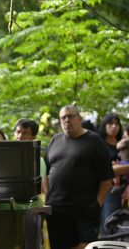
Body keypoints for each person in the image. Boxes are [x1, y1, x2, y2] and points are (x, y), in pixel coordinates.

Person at [44, 105, 113, 249]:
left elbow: (106, 178)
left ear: (79, 119)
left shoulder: (94, 141)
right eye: (63, 117)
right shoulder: (55, 141)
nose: (67, 120)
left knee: (85, 246)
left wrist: (98, 203)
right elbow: (46, 173)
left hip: (85, 210)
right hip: (57, 211)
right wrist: (48, 197)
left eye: (70, 116)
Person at [98, 113, 123, 236]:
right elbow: (105, 170)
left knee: (122, 227)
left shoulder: (123, 144)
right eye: (110, 123)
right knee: (108, 224)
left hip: (125, 190)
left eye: (116, 124)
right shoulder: (98, 144)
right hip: (108, 190)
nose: (114, 126)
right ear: (104, 125)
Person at [12, 118, 48, 193]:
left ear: (34, 136)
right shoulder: (7, 157)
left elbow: (41, 188)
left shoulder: (38, 161)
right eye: (18, 132)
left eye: (25, 133)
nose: (20, 136)